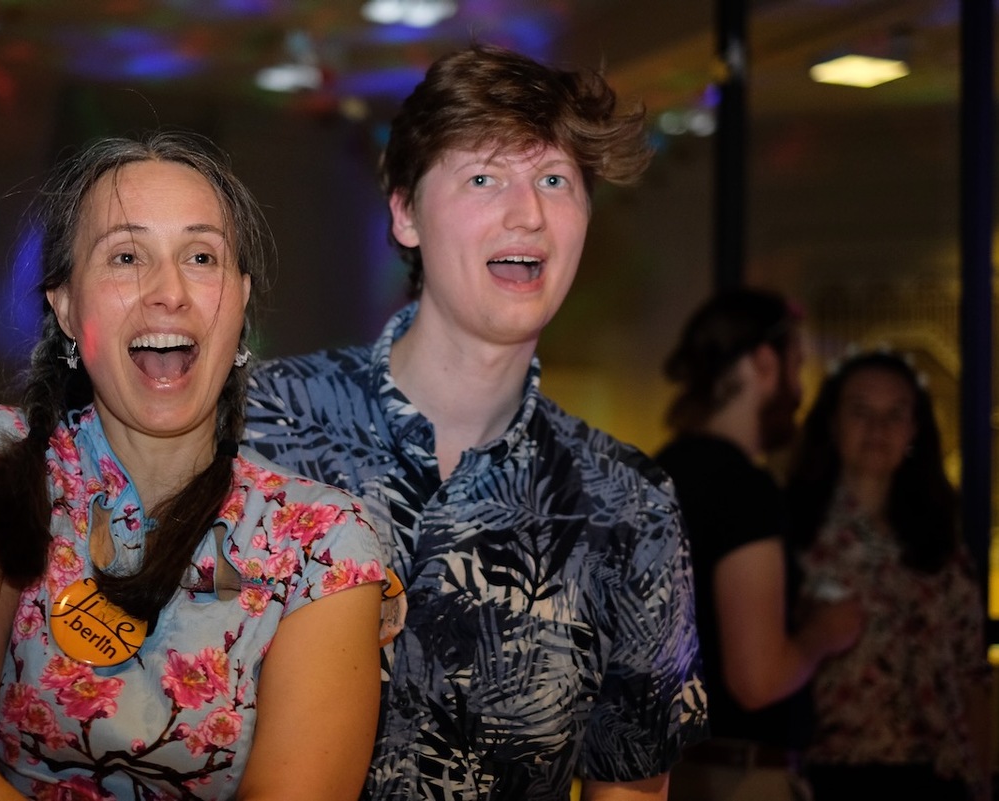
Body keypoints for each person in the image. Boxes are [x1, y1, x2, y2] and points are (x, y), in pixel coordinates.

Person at [243, 44, 708, 801]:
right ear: (405, 213)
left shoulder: (630, 505)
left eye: (554, 180)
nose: (528, 213)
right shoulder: (260, 428)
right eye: (484, 178)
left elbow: (630, 786)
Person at [0, 131, 387, 801]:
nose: (169, 291)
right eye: (126, 256)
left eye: (201, 257)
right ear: (65, 305)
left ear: (240, 304)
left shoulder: (320, 543)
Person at [654, 288, 862, 801]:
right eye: (797, 365)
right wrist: (823, 632)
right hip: (740, 779)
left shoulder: (659, 472)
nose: (801, 389)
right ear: (765, 363)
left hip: (665, 778)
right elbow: (757, 680)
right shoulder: (745, 489)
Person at [784, 349, 992, 801]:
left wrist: (982, 780)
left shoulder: (941, 539)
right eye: (861, 412)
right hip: (834, 774)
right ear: (833, 423)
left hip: (940, 775)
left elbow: (971, 674)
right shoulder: (796, 534)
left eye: (895, 414)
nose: (878, 430)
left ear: (914, 429)